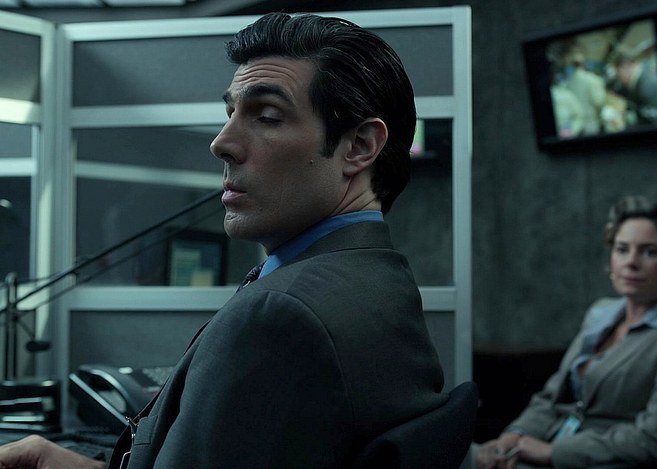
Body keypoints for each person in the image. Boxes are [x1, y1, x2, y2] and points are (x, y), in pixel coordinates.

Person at [0, 12, 446, 468]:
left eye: (267, 117)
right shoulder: (376, 278)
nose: (221, 143)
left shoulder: (280, 317)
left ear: (359, 146)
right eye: (231, 113)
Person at [473, 195, 657, 469]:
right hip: (552, 447)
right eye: (622, 249)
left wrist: (553, 452)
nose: (631, 262)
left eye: (649, 252)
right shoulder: (601, 313)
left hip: (606, 462)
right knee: (466, 455)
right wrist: (513, 437)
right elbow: (551, 397)